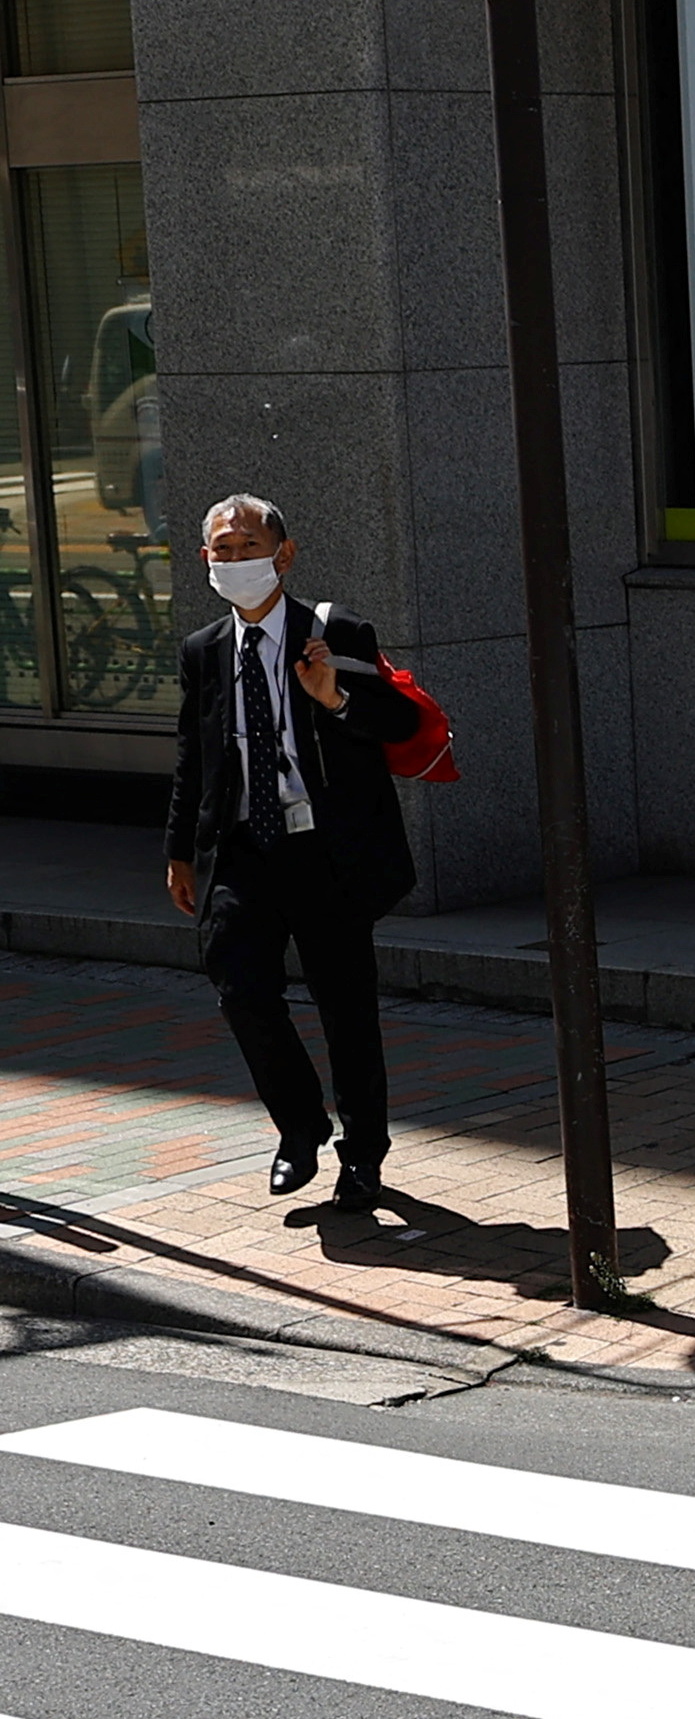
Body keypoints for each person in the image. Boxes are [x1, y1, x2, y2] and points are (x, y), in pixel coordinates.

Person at [161, 493, 416, 1207]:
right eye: (223, 550)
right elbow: (194, 757)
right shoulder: (204, 651)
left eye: (249, 546)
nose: (236, 560)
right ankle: (299, 1128)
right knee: (241, 990)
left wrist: (334, 698)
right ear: (206, 560)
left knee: (346, 1007)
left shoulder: (335, 633)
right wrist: (180, 851)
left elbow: (395, 719)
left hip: (324, 850)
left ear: (284, 553)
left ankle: (363, 1154)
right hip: (243, 849)